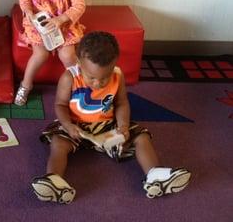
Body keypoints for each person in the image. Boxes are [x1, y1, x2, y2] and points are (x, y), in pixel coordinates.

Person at [31, 31, 191, 203]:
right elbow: (60, 105)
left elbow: (122, 103)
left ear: (114, 64)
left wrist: (123, 126)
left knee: (142, 137)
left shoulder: (117, 75)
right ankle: (54, 180)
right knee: (58, 143)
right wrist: (68, 125)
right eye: (91, 77)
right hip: (75, 126)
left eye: (104, 78)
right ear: (78, 62)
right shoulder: (69, 77)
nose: (98, 83)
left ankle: (155, 174)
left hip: (107, 126)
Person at [14, 0, 85, 106]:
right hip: (39, 26)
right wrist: (29, 13)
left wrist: (61, 19)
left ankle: (80, 86)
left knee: (68, 55)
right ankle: (26, 85)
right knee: (40, 54)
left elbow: (79, 6)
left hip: (63, 26)